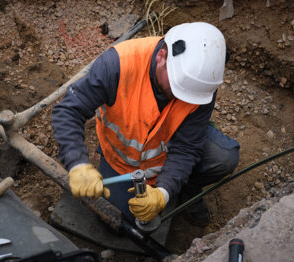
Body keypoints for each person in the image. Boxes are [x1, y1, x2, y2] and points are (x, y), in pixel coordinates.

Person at [52, 22, 240, 226]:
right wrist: (77, 164)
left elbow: (186, 147)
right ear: (161, 56)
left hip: (166, 151)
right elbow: (69, 110)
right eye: (177, 87)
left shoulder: (201, 85)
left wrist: (163, 192)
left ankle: (186, 189)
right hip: (122, 162)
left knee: (224, 157)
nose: (182, 98)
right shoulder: (118, 64)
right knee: (121, 220)